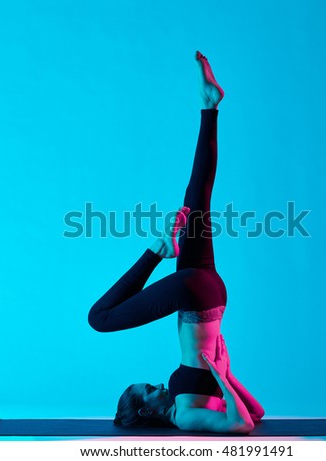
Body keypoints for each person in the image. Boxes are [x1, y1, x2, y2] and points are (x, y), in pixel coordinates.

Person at [88, 51, 264, 434]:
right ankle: (157, 250)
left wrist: (227, 377)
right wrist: (220, 376)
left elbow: (259, 409)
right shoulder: (184, 417)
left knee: (198, 196)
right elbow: (246, 424)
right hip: (195, 295)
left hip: (210, 294)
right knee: (97, 320)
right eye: (148, 390)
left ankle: (209, 108)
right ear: (147, 411)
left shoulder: (184, 398)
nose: (156, 384)